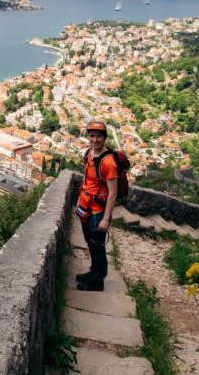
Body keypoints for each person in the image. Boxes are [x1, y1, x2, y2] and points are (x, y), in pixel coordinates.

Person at [75, 121, 117, 291]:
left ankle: (98, 282)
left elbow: (113, 193)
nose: (95, 139)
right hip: (86, 205)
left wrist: (106, 219)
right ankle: (93, 273)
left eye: (99, 136)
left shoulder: (109, 162)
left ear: (105, 138)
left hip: (98, 211)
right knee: (90, 243)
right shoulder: (90, 153)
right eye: (92, 136)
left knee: (97, 246)